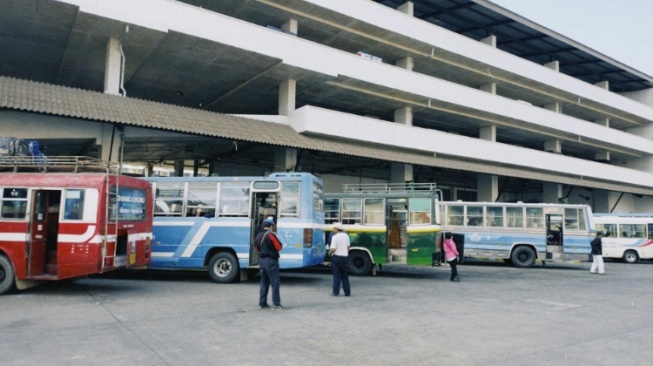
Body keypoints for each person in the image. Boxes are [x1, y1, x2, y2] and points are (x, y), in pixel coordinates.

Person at [254, 217, 284, 310]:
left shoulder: (258, 235)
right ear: (271, 226)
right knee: (275, 283)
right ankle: (276, 304)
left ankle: (262, 303)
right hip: (271, 261)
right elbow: (279, 247)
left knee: (264, 282)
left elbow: (257, 248)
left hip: (262, 261)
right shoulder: (271, 235)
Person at [329, 222, 351, 296]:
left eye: (333, 228)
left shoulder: (335, 237)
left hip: (337, 257)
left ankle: (336, 292)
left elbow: (333, 249)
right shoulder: (346, 236)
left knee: (336, 275)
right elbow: (348, 247)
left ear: (336, 229)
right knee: (345, 275)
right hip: (345, 257)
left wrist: (330, 253)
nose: (333, 229)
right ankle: (347, 292)